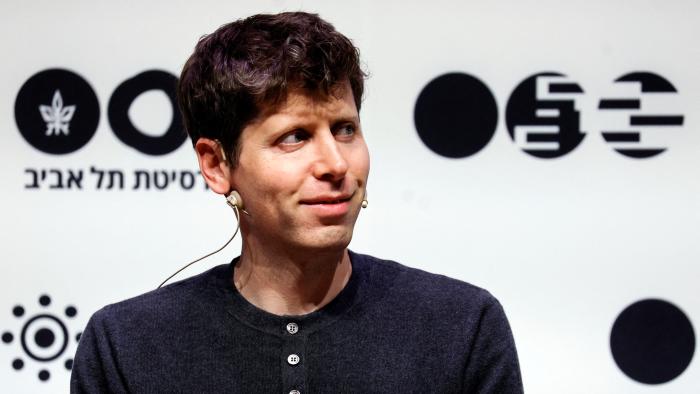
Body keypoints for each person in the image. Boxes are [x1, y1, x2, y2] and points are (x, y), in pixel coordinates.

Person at [71, 12, 523, 393]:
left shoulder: (462, 327)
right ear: (216, 164)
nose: (335, 164)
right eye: (295, 137)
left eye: (345, 129)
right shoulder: (127, 346)